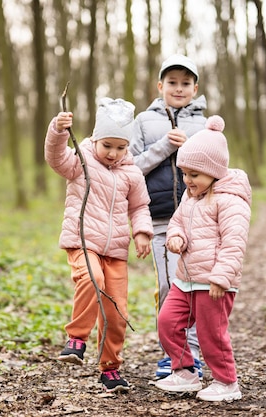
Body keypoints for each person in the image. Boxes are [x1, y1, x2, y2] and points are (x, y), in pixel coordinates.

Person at [45, 97, 154, 393]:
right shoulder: (81, 159)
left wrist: (142, 231)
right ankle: (76, 339)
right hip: (82, 242)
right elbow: (56, 159)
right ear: (96, 139)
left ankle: (110, 369)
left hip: (116, 250)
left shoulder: (131, 173)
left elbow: (139, 207)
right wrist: (58, 130)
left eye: (120, 147)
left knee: (117, 311)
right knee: (92, 280)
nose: (113, 153)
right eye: (107, 145)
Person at [154, 115, 252, 402]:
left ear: (213, 171)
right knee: (167, 322)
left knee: (212, 335)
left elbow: (234, 243)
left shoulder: (230, 199)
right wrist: (176, 237)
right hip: (185, 279)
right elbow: (178, 222)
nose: (187, 181)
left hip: (213, 283)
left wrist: (221, 277)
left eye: (194, 175)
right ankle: (185, 371)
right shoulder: (190, 197)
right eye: (184, 174)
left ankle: (226, 381)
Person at [129, 54, 207, 379]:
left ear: (195, 87)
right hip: (160, 219)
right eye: (172, 82)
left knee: (194, 286)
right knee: (169, 286)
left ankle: (192, 354)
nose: (178, 88)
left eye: (185, 83)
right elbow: (129, 168)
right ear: (160, 86)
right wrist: (164, 147)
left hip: (197, 219)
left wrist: (191, 153)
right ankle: (172, 355)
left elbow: (213, 170)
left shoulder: (204, 124)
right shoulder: (144, 122)